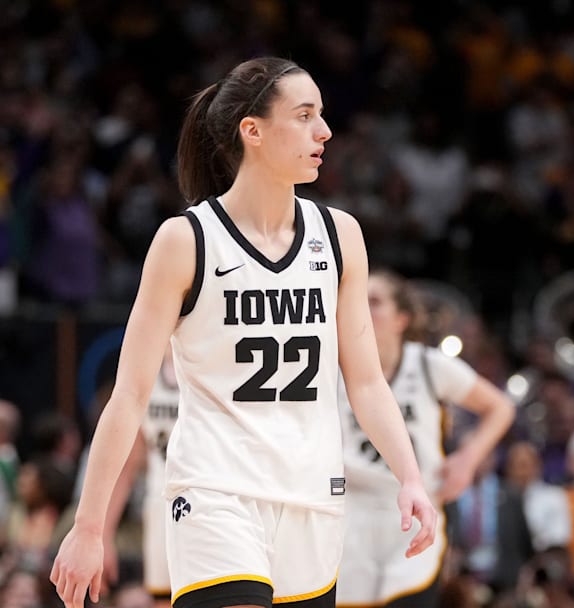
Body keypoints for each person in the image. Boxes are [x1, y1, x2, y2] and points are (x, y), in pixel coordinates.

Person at [50, 57, 437, 608]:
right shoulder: (185, 240)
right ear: (252, 131)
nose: (324, 131)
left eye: (321, 115)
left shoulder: (340, 235)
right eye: (304, 116)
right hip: (216, 490)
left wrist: (411, 477)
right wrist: (89, 526)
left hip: (313, 495)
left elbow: (368, 382)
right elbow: (130, 393)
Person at [337, 269, 514, 607]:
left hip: (414, 510)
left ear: (402, 318)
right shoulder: (333, 364)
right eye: (359, 300)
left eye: (374, 301)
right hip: (350, 511)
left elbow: (500, 407)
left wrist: (467, 458)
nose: (363, 308)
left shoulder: (430, 365)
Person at [102, 350, 180, 606]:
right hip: (162, 506)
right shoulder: (144, 372)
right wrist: (102, 535)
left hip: (212, 500)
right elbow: (127, 465)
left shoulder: (211, 359)